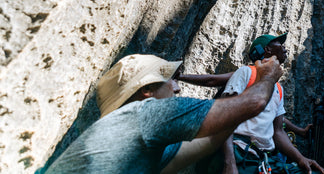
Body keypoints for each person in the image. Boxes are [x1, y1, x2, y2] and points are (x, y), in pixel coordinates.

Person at [44, 53, 282, 174]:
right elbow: (256, 102)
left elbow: (211, 137)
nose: (177, 86)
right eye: (169, 80)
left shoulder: (133, 139)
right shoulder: (145, 114)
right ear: (146, 91)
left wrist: (237, 104)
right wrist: (267, 76)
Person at [180, 33, 324, 174]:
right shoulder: (246, 73)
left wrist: (301, 159)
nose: (284, 47)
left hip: (264, 159)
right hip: (239, 152)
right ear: (267, 49)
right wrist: (229, 163)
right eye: (279, 43)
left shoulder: (278, 88)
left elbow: (278, 130)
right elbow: (222, 116)